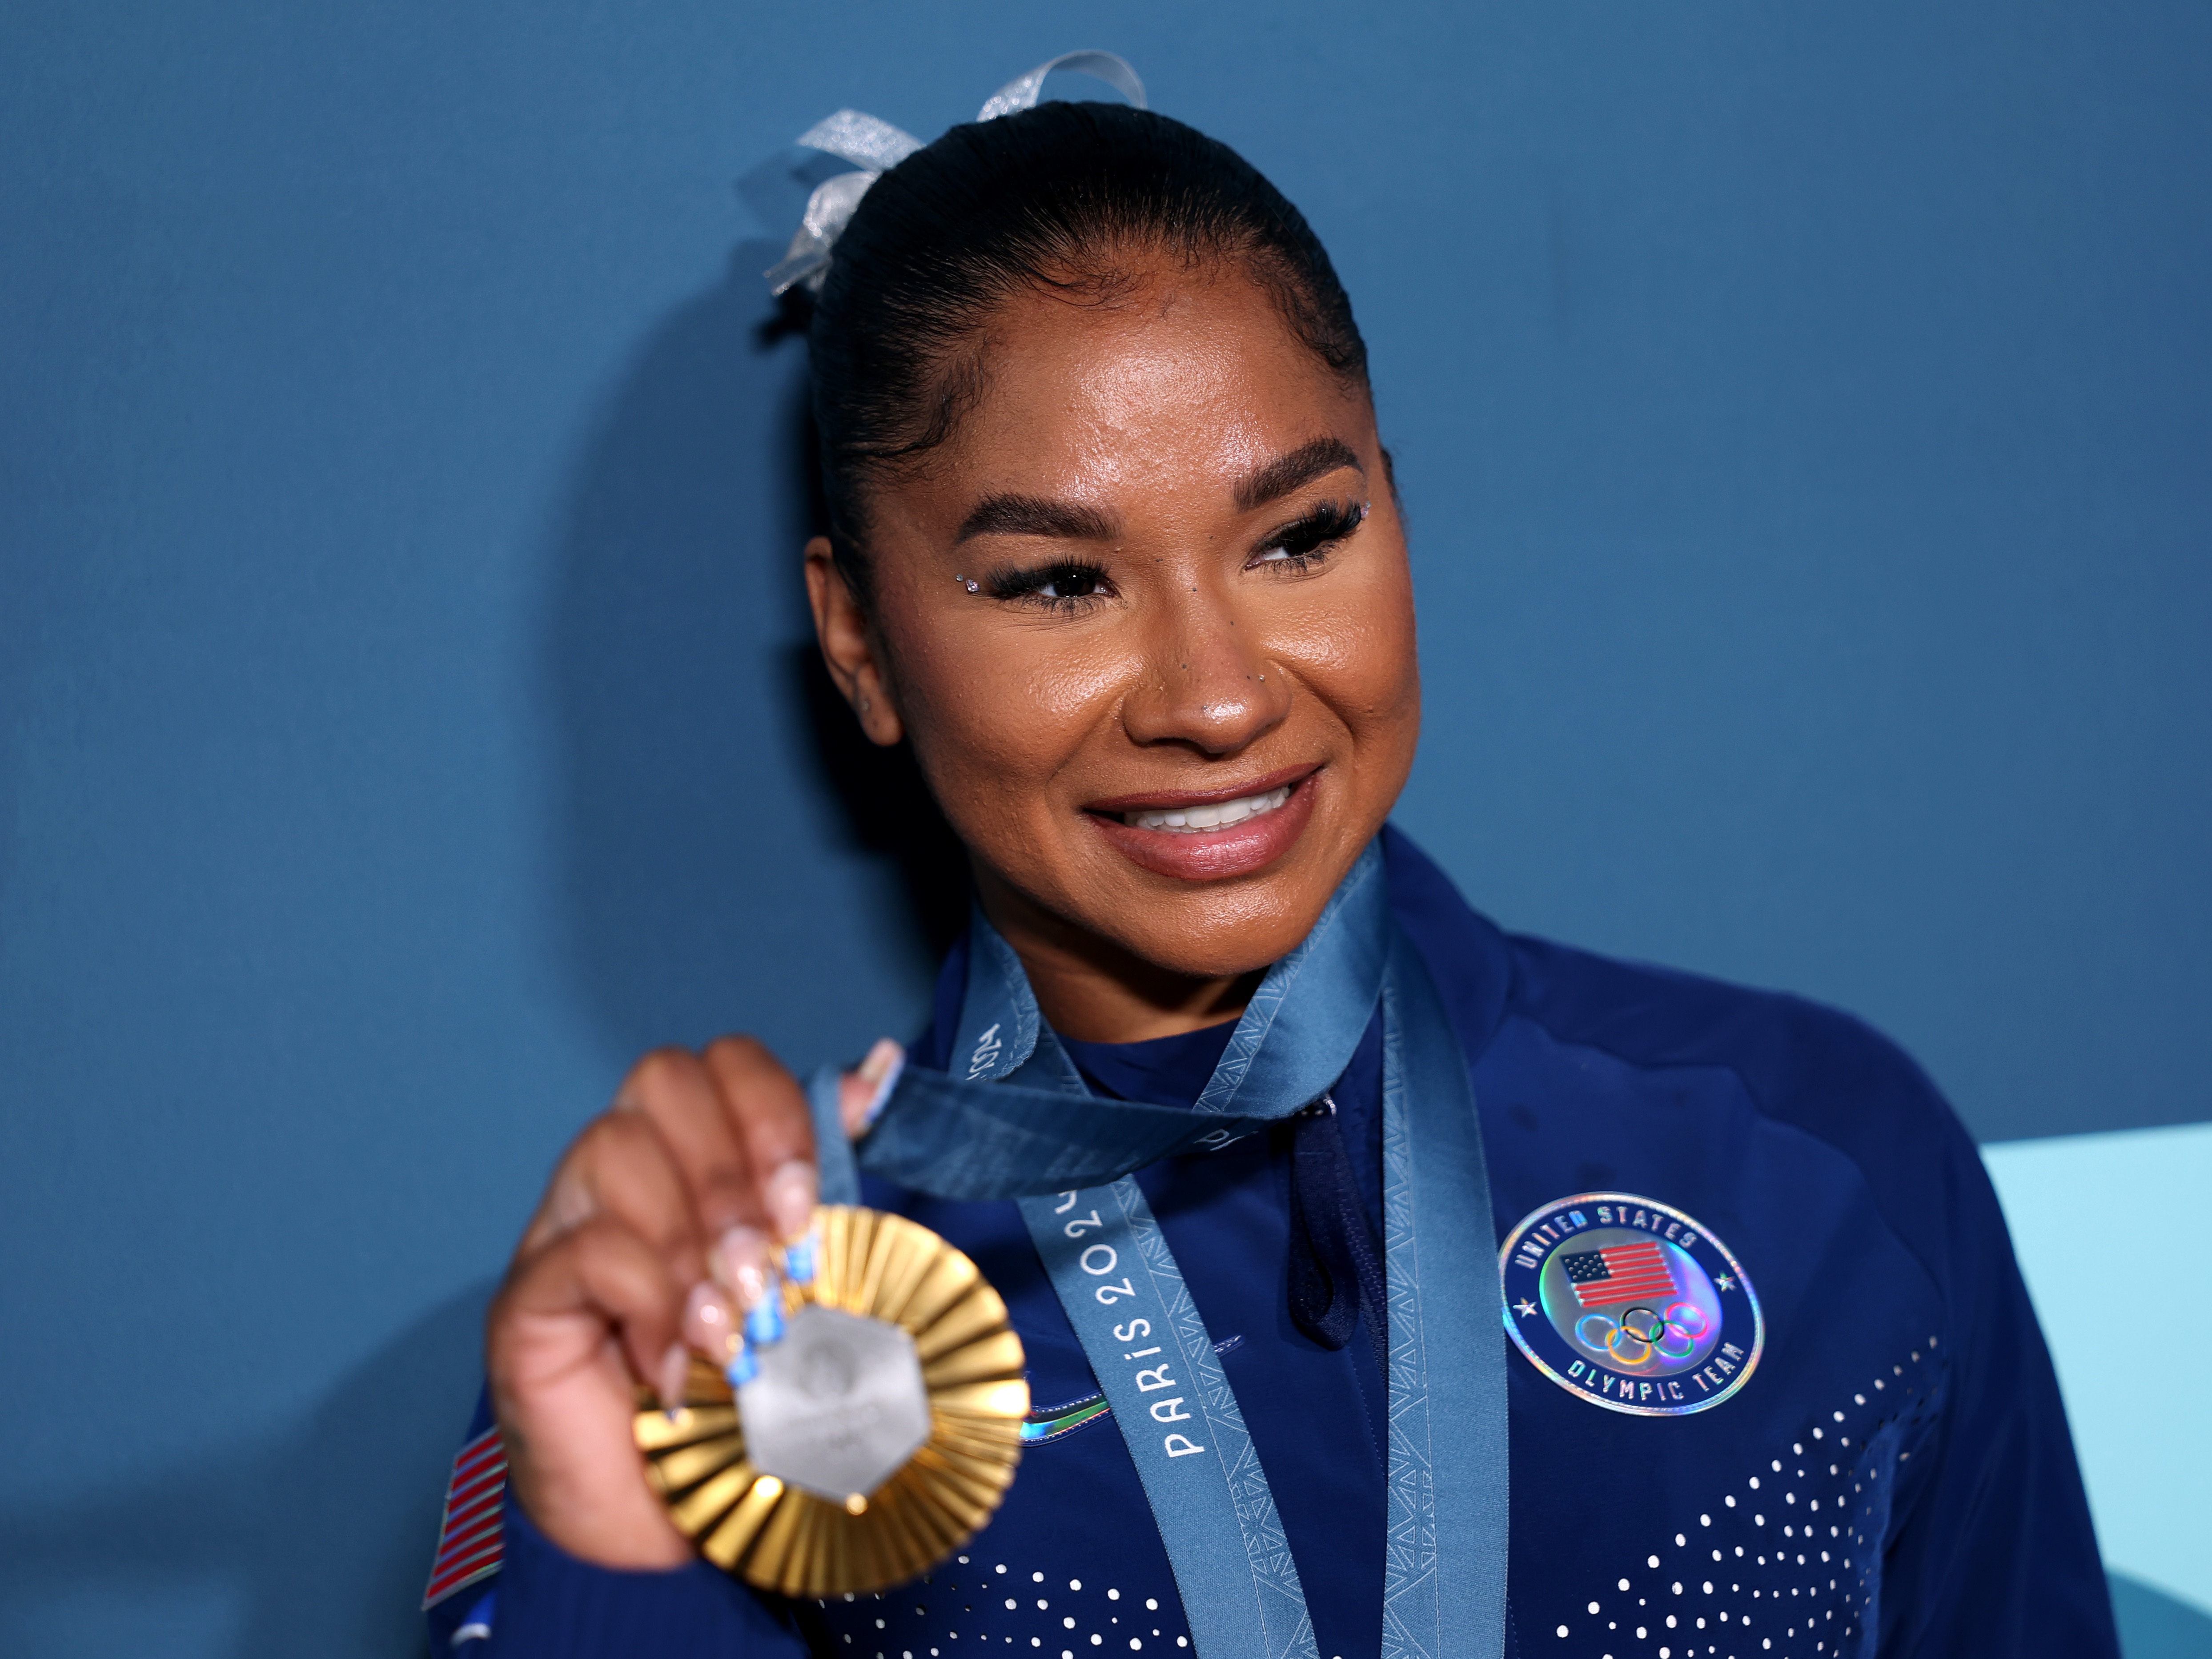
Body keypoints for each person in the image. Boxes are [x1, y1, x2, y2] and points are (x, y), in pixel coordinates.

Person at [421, 68, 2118, 1659]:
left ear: (1394, 507)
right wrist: (609, 1539)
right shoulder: (735, 1317)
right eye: (1058, 584)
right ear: (859, 640)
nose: (1222, 697)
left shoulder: (1819, 1152)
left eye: (1301, 537)